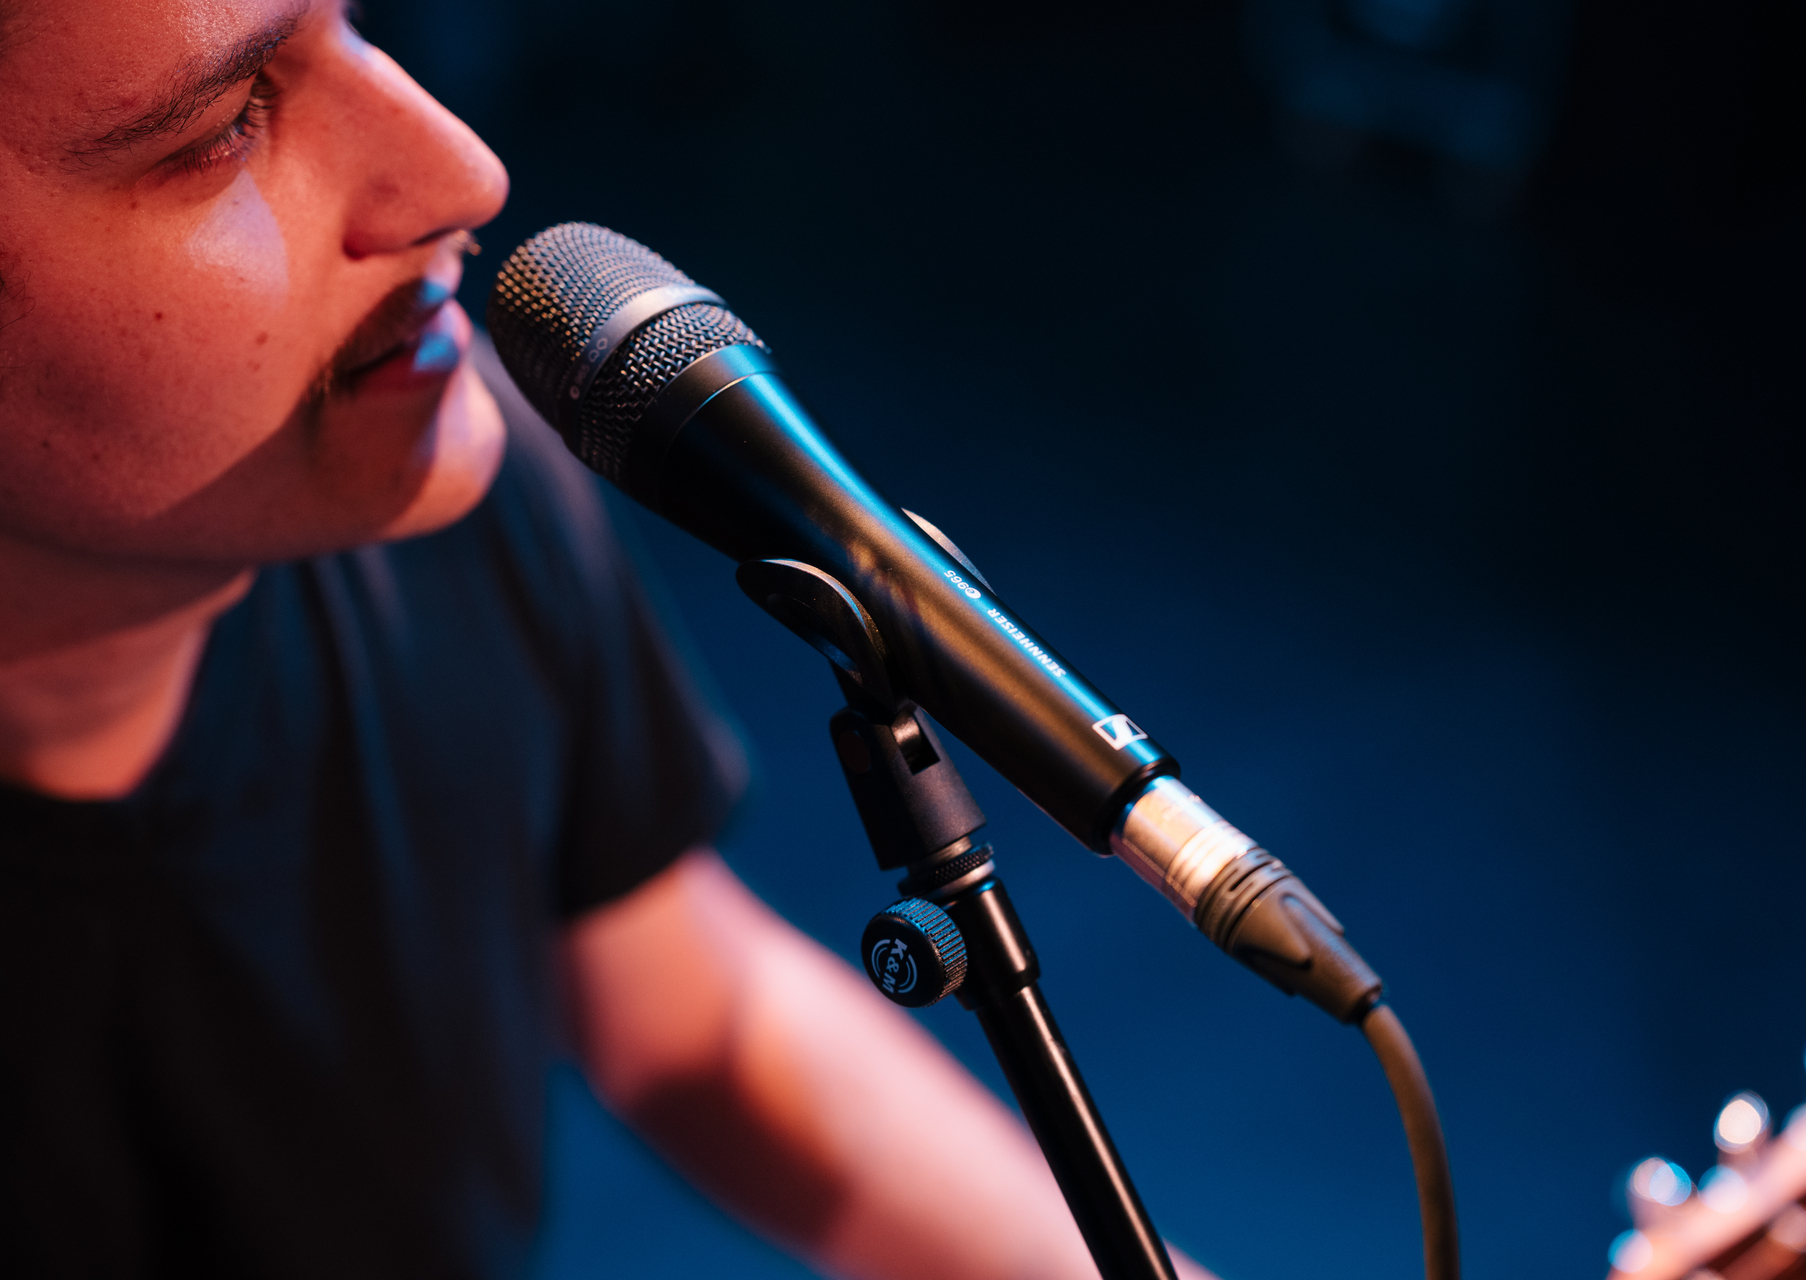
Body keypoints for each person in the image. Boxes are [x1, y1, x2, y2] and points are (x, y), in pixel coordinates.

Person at [0, 2, 1222, 1277]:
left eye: (354, 23)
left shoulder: (421, 467)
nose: (463, 173)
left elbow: (687, 1003)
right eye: (222, 127)